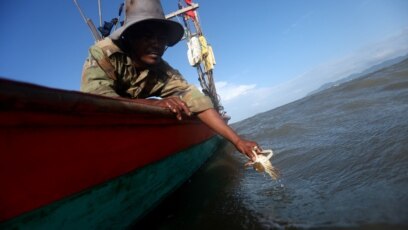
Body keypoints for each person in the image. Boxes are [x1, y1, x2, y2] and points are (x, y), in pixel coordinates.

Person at [80, 0, 260, 161]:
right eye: (148, 36)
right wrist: (151, 104)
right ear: (131, 36)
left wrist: (238, 141)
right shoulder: (103, 54)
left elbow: (196, 100)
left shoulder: (163, 71)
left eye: (162, 39)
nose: (157, 44)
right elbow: (95, 99)